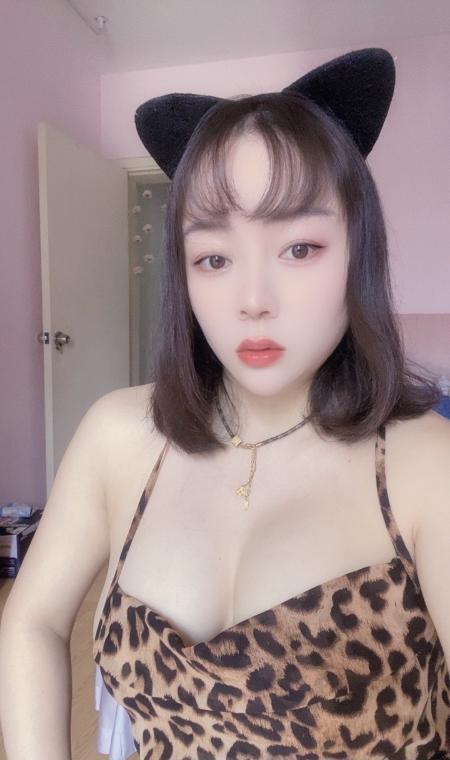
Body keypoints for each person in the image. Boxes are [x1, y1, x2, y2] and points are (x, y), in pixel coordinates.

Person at [0, 49, 448, 760]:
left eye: (300, 248)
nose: (253, 300)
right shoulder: (120, 435)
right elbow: (33, 621)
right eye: (213, 258)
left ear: (358, 251)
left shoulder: (426, 466)